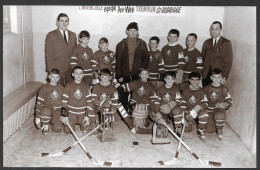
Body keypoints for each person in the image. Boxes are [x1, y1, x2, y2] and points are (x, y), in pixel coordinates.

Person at [115, 22, 149, 111]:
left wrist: (142, 73)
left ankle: (135, 111)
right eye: (131, 30)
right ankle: (124, 113)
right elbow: (118, 61)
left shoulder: (142, 43)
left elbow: (146, 59)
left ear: (137, 32)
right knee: (123, 94)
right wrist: (119, 75)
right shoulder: (121, 44)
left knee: (137, 94)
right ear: (127, 31)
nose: (133, 32)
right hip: (125, 74)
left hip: (137, 75)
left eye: (135, 30)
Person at [45, 13, 77, 86]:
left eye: (66, 21)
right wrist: (50, 71)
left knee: (70, 91)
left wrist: (75, 68)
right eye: (62, 21)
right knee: (58, 91)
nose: (64, 23)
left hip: (70, 69)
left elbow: (75, 53)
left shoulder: (73, 35)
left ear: (68, 22)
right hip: (57, 70)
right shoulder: (51, 35)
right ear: (57, 22)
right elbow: (48, 54)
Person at [120, 68, 155, 133]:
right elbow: (124, 87)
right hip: (134, 102)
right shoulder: (135, 83)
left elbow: (153, 98)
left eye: (146, 74)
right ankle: (133, 122)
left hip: (146, 103)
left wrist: (152, 109)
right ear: (139, 75)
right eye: (142, 73)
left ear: (148, 75)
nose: (144, 75)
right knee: (140, 107)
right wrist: (119, 89)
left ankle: (144, 122)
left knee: (145, 107)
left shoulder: (151, 85)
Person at [60, 66, 93, 134]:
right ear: (73, 74)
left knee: (87, 129)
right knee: (68, 131)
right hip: (71, 113)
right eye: (76, 73)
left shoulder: (86, 86)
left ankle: (83, 124)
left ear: (83, 75)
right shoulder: (68, 85)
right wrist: (64, 115)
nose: (78, 75)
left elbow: (89, 102)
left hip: (82, 113)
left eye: (80, 73)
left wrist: (87, 116)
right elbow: (64, 101)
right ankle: (72, 123)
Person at [150, 71, 183, 136]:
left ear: (174, 80)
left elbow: (179, 101)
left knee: (178, 110)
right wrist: (157, 112)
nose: (170, 81)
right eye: (168, 78)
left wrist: (171, 104)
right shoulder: (160, 89)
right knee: (162, 134)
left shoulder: (176, 88)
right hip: (162, 110)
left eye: (172, 79)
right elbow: (156, 101)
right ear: (164, 79)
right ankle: (164, 121)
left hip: (171, 110)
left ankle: (178, 128)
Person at [202, 21, 233, 87]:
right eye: (212, 29)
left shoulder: (226, 43)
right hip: (206, 74)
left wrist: (224, 77)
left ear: (220, 30)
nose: (214, 31)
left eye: (216, 29)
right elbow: (203, 58)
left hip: (218, 76)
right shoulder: (206, 42)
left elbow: (228, 62)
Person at [204, 68, 233, 140]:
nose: (216, 80)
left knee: (220, 115)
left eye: (219, 77)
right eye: (214, 77)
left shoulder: (224, 89)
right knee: (209, 130)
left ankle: (219, 130)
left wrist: (224, 104)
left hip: (218, 110)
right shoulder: (207, 88)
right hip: (209, 110)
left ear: (222, 78)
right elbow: (202, 101)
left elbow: (230, 101)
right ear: (211, 78)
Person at [34, 68, 64, 136]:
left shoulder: (62, 88)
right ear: (49, 77)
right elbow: (39, 103)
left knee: (58, 129)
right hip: (48, 108)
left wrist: (64, 115)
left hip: (58, 110)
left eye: (56, 77)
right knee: (45, 111)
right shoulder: (44, 88)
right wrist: (37, 117)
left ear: (59, 78)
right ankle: (45, 126)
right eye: (53, 77)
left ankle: (53, 120)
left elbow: (65, 101)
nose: (54, 79)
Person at [182, 72, 209, 141]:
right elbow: (183, 105)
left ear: (199, 81)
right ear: (189, 80)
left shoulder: (202, 91)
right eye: (192, 79)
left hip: (198, 111)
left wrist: (195, 111)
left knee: (205, 114)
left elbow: (205, 103)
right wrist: (183, 117)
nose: (194, 82)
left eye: (197, 80)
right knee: (187, 130)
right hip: (188, 112)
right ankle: (191, 122)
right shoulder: (185, 91)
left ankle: (200, 130)